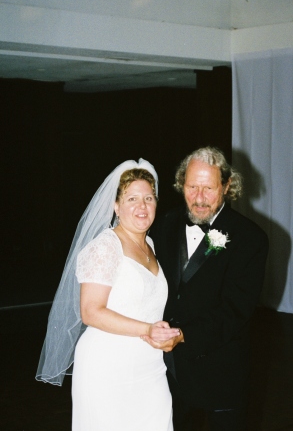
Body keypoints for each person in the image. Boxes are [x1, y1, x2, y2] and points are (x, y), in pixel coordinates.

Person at [36, 158, 180, 431]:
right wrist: (147, 328)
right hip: (107, 369)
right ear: (116, 205)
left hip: (150, 367)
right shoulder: (104, 247)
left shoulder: (150, 244)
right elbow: (91, 311)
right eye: (132, 198)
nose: (142, 206)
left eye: (149, 198)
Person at [146, 147, 269, 431]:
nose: (199, 198)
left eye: (209, 188)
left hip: (220, 372)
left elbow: (235, 310)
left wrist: (183, 335)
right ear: (181, 184)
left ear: (227, 186)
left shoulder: (251, 239)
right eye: (192, 187)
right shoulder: (165, 224)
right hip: (167, 371)